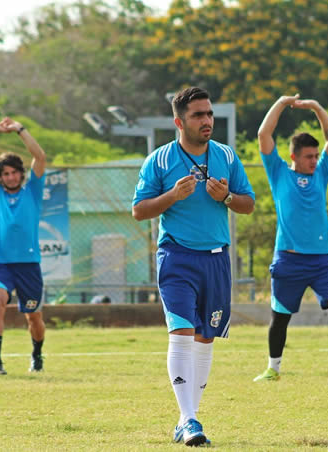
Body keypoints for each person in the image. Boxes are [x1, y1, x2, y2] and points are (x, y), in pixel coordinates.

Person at [132, 86, 255, 446]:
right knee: (182, 331)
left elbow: (249, 204)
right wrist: (172, 196)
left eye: (209, 114)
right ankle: (188, 419)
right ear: (179, 121)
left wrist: (227, 197)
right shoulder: (159, 160)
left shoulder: (227, 156)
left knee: (205, 338)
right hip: (176, 256)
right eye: (198, 115)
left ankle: (189, 419)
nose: (207, 121)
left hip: (216, 259)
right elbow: (139, 211)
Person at [254, 94, 328, 383]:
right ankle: (273, 369)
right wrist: (282, 103)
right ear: (293, 156)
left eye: (315, 156)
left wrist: (318, 108)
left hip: (322, 260)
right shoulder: (279, 172)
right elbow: (263, 134)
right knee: (280, 316)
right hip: (288, 259)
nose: (313, 160)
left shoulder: (321, 174)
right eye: (308, 156)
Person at [0, 116, 47, 375]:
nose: (11, 176)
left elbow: (39, 157)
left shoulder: (32, 191)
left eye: (14, 172)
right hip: (2, 264)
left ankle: (37, 354)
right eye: (5, 173)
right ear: (1, 177)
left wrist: (19, 130)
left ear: (21, 173)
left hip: (29, 266)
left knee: (34, 318)